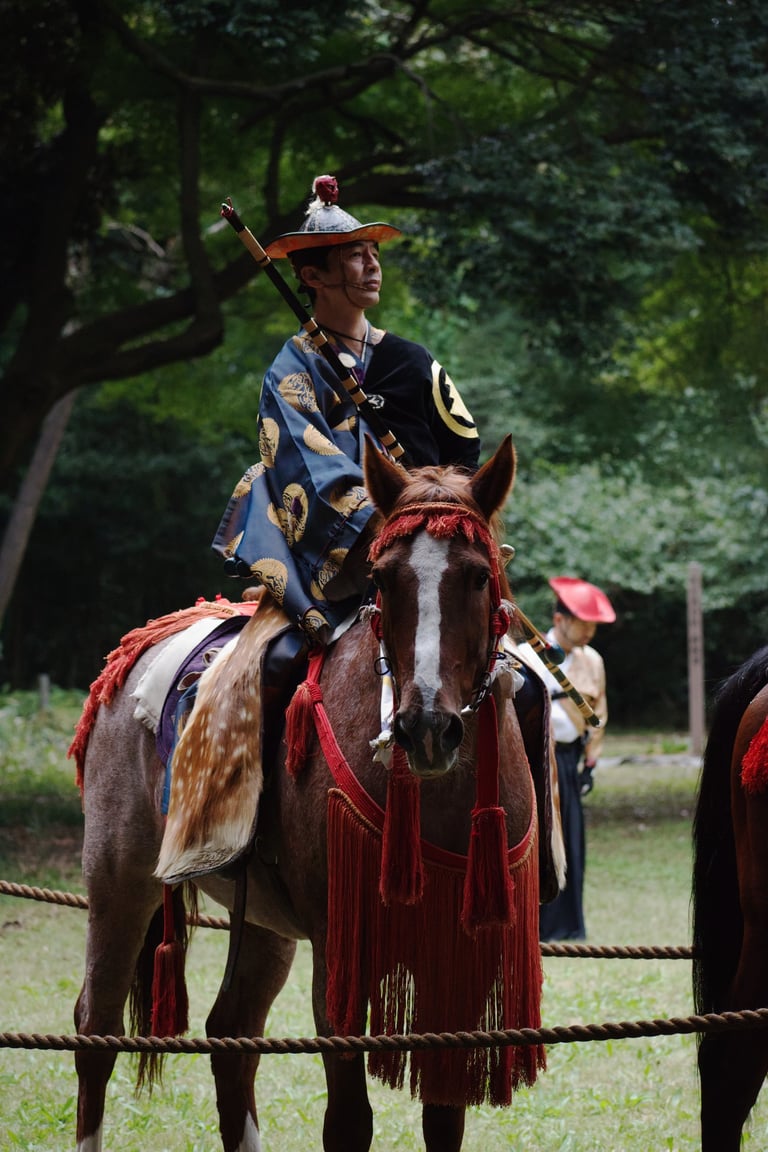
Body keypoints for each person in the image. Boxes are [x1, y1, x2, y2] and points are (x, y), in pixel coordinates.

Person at [213, 173, 481, 649]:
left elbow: (462, 450)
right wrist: (391, 529)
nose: (372, 266)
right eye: (356, 256)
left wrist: (444, 518)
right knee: (271, 666)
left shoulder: (412, 359)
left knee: (513, 679)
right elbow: (308, 467)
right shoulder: (291, 370)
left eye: (374, 254)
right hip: (352, 552)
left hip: (435, 546)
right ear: (312, 276)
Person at [519, 576, 615, 942]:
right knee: (537, 838)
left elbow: (600, 712)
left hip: (570, 759)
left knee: (571, 841)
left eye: (593, 624)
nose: (589, 631)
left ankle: (569, 926)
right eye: (583, 623)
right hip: (534, 759)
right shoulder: (527, 654)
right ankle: (534, 923)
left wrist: (591, 762)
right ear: (560, 619)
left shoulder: (593, 661)